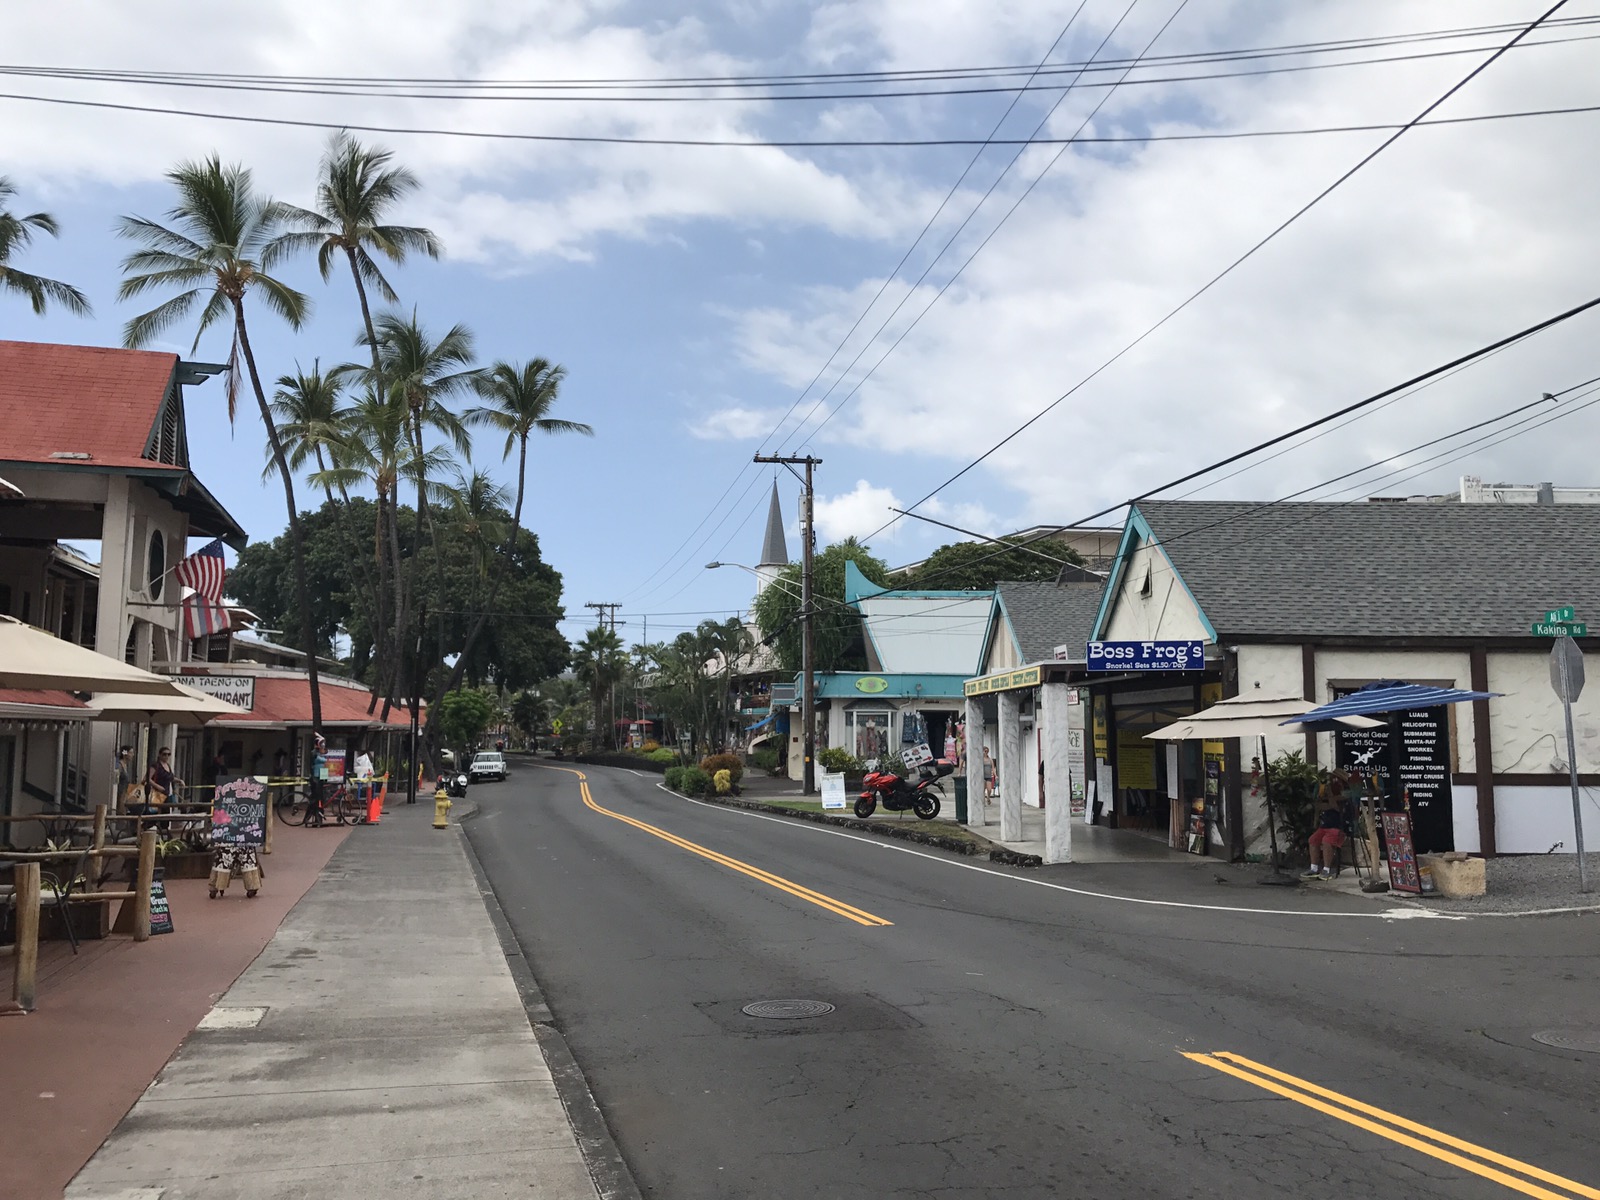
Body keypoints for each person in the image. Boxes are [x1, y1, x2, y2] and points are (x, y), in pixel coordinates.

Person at [1304, 781, 1349, 879]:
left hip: (1338, 827)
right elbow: (1319, 806)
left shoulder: (1344, 798)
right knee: (1313, 840)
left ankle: (1326, 869)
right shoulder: (1326, 799)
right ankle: (1314, 868)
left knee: (1327, 841)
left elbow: (1335, 807)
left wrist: (1330, 795)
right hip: (1325, 827)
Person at [307, 733, 328, 827]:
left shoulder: (320, 753)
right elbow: (315, 761)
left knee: (320, 797)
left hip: (321, 776)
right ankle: (311, 816)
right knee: (315, 798)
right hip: (316, 777)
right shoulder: (314, 753)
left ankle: (319, 816)